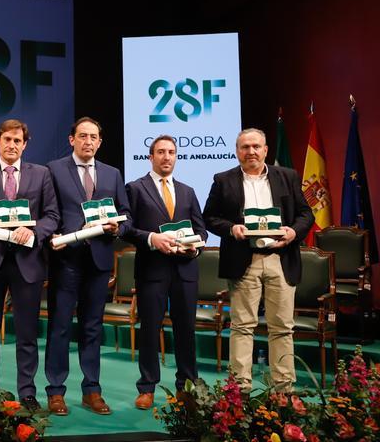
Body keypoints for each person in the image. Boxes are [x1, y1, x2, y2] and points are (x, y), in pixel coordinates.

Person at [203, 128, 313, 392]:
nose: (250, 151)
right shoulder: (223, 179)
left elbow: (306, 214)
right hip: (243, 261)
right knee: (242, 326)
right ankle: (239, 389)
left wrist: (293, 232)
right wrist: (231, 228)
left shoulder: (288, 176)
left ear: (265, 150)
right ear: (237, 151)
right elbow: (209, 217)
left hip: (280, 258)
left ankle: (283, 388)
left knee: (282, 328)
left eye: (256, 146)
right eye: (244, 147)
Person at [0, 119, 59, 412]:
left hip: (27, 262)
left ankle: (27, 392)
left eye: (17, 141)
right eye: (7, 139)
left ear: (25, 144)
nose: (12, 145)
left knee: (27, 334)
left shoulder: (41, 174)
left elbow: (52, 215)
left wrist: (34, 232)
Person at [44, 116, 130, 416]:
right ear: (72, 139)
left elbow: (125, 214)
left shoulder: (112, 173)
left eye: (94, 137)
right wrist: (54, 234)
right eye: (83, 136)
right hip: (66, 258)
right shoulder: (53, 169)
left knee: (93, 327)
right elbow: (48, 209)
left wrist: (116, 227)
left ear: (100, 141)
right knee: (60, 326)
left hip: (100, 259)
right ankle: (56, 392)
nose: (88, 141)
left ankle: (92, 390)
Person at [123, 135, 207, 409]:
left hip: (185, 269)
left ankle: (187, 386)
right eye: (161, 152)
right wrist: (151, 239)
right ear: (151, 156)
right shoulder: (135, 189)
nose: (166, 157)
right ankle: (147, 387)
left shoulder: (188, 190)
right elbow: (127, 229)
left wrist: (194, 247)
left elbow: (201, 229)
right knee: (149, 329)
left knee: (186, 330)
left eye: (171, 152)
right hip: (151, 269)